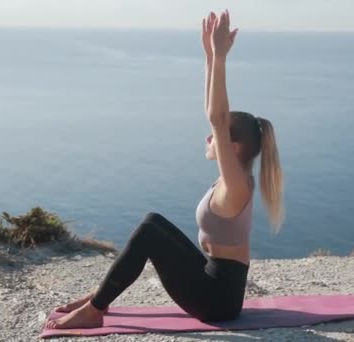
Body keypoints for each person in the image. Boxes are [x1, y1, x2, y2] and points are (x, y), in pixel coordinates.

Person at [46, 10, 284, 329]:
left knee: (148, 233)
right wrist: (209, 58)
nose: (207, 137)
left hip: (216, 302)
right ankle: (100, 295)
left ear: (234, 148)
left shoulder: (236, 183)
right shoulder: (235, 179)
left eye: (215, 137)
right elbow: (216, 119)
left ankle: (95, 309)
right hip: (215, 284)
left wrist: (220, 58)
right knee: (152, 222)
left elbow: (216, 116)